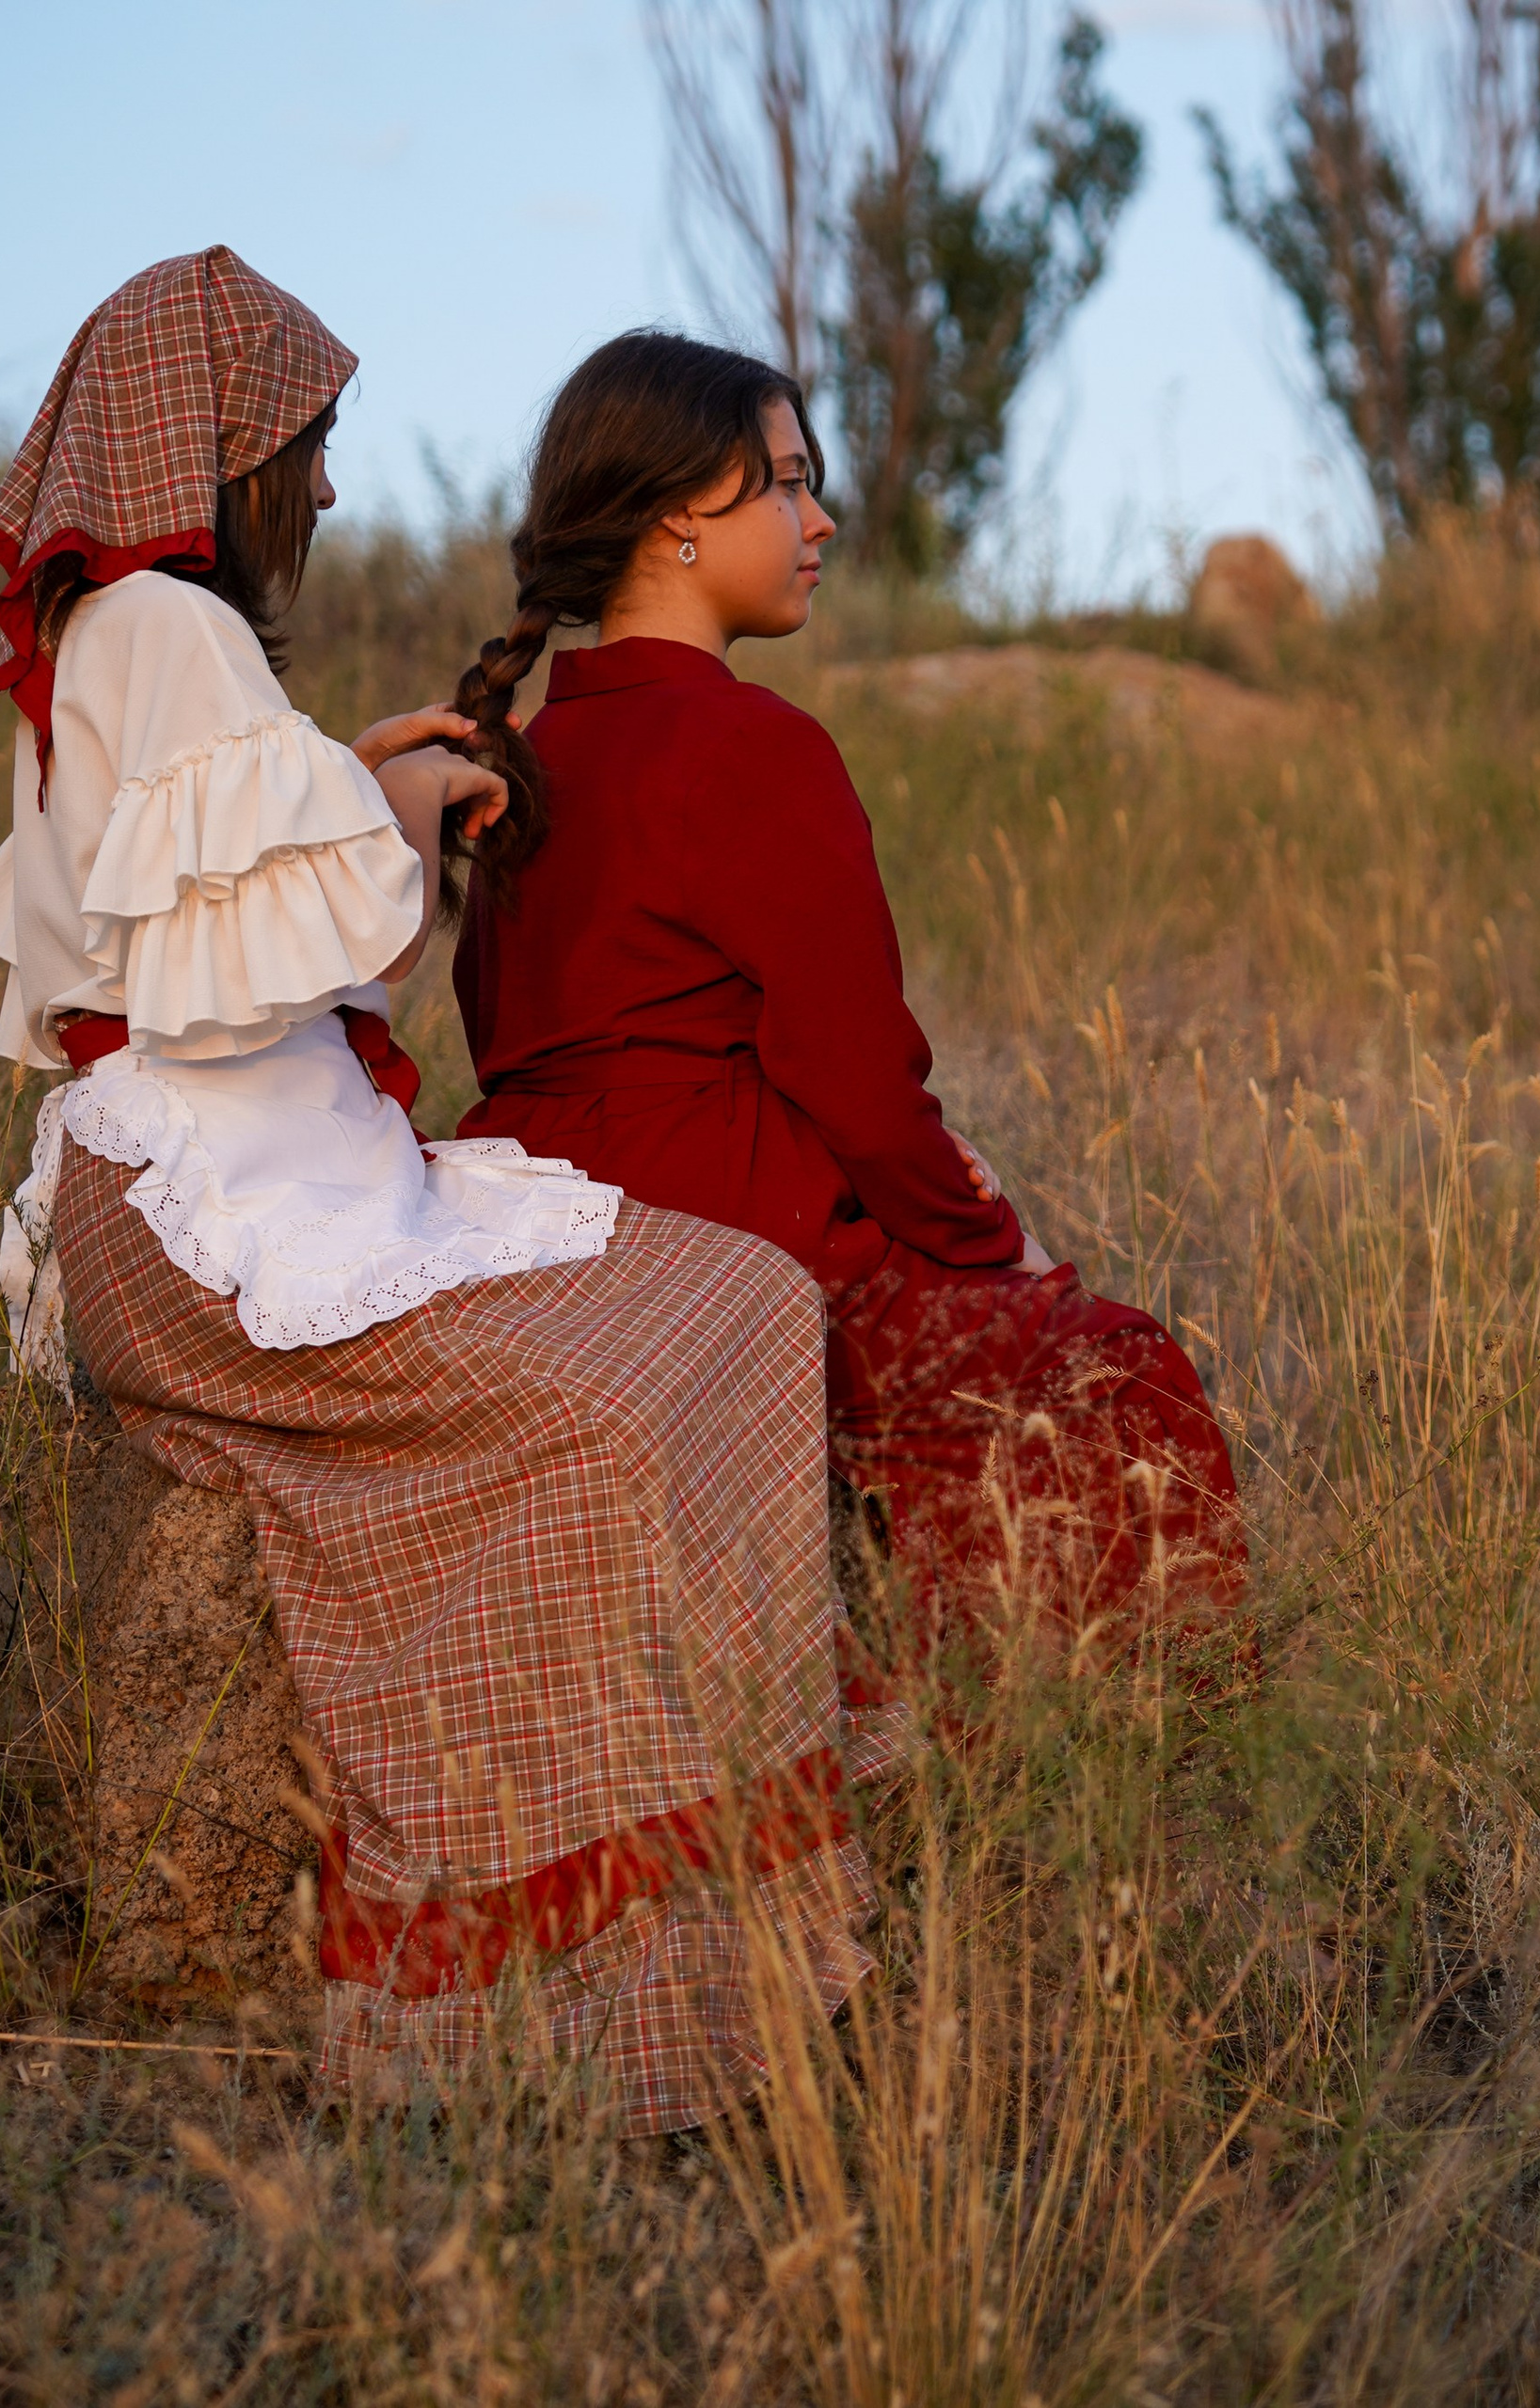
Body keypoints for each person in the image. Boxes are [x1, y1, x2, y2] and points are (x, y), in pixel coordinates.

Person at [0, 250, 897, 2134]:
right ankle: (593, 1978)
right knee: (653, 1366)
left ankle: (677, 1927)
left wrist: (353, 778)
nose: (323, 488)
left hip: (211, 1174)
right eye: (308, 448)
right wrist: (392, 823)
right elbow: (221, 979)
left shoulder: (116, 639)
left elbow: (179, 911)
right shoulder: (167, 630)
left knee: (720, 1313)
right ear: (226, 450)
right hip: (221, 1214)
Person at [446, 331, 1248, 1676]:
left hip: (538, 1222)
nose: (819, 519)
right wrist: (987, 1238)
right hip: (729, 1231)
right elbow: (864, 1089)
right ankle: (1061, 1745)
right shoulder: (753, 745)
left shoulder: (520, 759)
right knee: (1109, 1367)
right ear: (674, 523)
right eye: (784, 482)